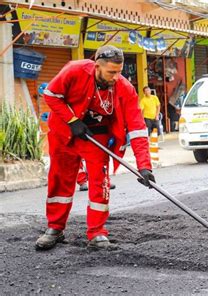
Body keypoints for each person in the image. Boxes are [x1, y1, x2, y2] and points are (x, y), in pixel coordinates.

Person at [36, 45, 155, 250]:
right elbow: (51, 95)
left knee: (100, 182)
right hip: (65, 131)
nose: (116, 77)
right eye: (111, 72)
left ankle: (97, 232)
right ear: (96, 67)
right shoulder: (75, 70)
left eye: (119, 71)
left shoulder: (125, 88)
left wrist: (145, 166)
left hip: (96, 136)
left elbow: (137, 128)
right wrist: (72, 121)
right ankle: (55, 228)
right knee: (60, 180)